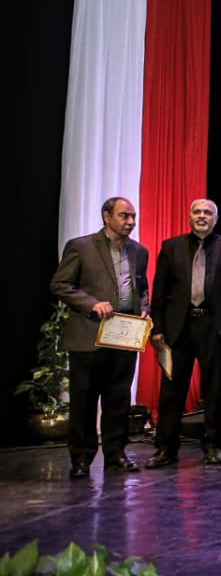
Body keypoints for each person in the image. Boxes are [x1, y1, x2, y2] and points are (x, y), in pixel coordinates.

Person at [50, 197, 150, 478]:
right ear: (107, 217)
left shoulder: (139, 251)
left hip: (124, 335)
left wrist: (144, 308)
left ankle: (116, 454)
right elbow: (60, 285)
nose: (131, 221)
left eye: (133, 216)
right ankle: (81, 459)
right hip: (89, 335)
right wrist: (91, 303)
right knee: (84, 400)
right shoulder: (81, 246)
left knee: (118, 398)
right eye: (124, 216)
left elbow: (142, 288)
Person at [146, 199, 221, 468]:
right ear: (189, 216)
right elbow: (160, 290)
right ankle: (165, 448)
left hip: (216, 326)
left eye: (208, 212)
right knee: (171, 390)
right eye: (197, 212)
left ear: (216, 218)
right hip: (178, 327)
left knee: (215, 390)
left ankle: (213, 445)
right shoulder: (171, 247)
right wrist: (158, 328)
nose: (202, 216)